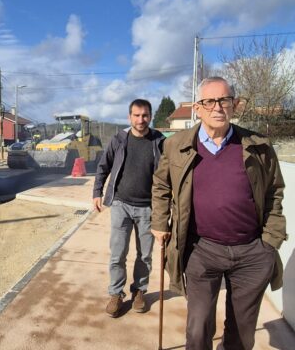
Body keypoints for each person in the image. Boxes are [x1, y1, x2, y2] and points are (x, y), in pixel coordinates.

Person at [151, 77, 286, 350]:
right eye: (209, 101)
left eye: (224, 100)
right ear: (198, 108)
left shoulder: (258, 145)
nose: (217, 107)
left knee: (241, 332)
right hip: (201, 250)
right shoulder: (176, 145)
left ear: (234, 105)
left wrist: (270, 243)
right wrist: (158, 222)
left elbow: (275, 191)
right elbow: (161, 184)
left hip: (251, 252)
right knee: (199, 327)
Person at [93, 99, 165, 317]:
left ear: (150, 116)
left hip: (148, 208)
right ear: (129, 117)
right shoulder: (119, 139)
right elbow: (103, 166)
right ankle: (116, 293)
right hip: (121, 205)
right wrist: (97, 192)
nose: (140, 119)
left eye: (145, 115)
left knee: (145, 256)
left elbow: (167, 175)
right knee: (118, 254)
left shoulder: (159, 141)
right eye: (136, 115)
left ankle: (139, 291)